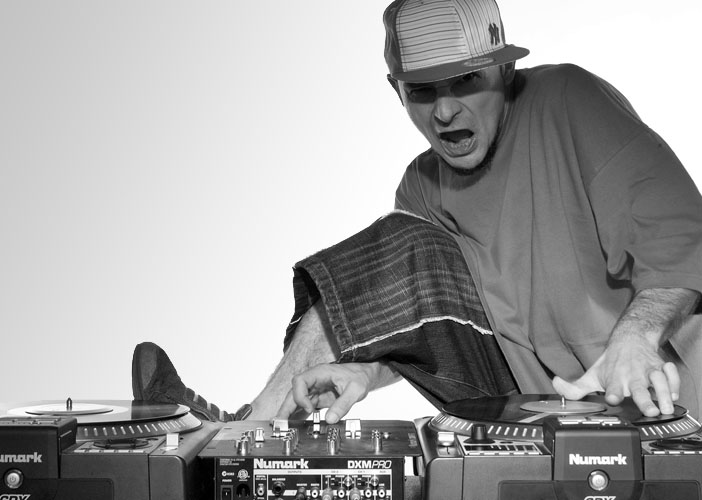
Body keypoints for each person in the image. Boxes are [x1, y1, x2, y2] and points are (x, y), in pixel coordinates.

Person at [132, 0, 702, 423]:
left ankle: (243, 431)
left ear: (504, 72)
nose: (446, 110)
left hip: (664, 397)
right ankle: (253, 430)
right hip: (534, 405)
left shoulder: (569, 102)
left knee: (402, 245)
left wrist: (637, 338)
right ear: (397, 90)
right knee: (399, 246)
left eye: (467, 81)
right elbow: (430, 325)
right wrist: (365, 371)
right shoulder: (422, 188)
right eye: (423, 90)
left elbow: (683, 236)